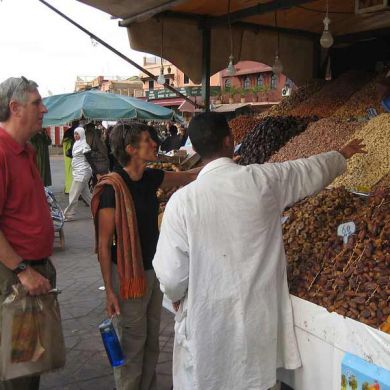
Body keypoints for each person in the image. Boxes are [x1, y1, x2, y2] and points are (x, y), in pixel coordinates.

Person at [152, 112, 367, 390]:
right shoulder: (262, 180)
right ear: (230, 141)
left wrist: (177, 297)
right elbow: (305, 171)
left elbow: (170, 277)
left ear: (194, 149)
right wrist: (341, 155)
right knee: (256, 380)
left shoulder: (182, 202)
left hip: (209, 323)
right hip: (257, 321)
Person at [90, 122, 200, 390]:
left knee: (151, 340)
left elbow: (188, 176)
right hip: (127, 277)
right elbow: (103, 246)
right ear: (130, 149)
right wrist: (109, 292)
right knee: (132, 344)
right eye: (148, 141)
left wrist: (221, 164)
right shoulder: (110, 190)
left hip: (152, 272)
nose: (155, 144)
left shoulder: (150, 177)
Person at [0, 76, 57, 389]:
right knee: (19, 368)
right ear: (14, 108)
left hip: (34, 270)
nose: (44, 109)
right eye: (36, 103)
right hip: (16, 276)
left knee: (31, 361)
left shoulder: (26, 150)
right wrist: (22, 270)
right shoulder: (2, 152)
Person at [63, 127, 92, 221]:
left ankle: (68, 215)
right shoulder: (76, 144)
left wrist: (97, 171)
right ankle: (98, 210)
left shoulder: (84, 145)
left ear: (82, 134)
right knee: (86, 195)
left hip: (82, 173)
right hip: (78, 172)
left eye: (77, 134)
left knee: (73, 193)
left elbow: (90, 159)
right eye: (75, 134)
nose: (75, 136)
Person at [62, 120, 78, 194]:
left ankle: (68, 188)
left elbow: (64, 142)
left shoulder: (67, 131)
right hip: (71, 155)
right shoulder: (74, 131)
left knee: (68, 172)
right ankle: (70, 189)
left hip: (67, 155)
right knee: (72, 173)